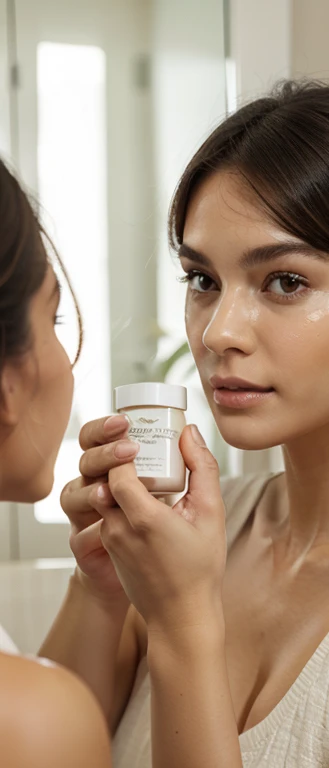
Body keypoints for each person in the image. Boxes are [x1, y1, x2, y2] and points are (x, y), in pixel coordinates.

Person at [46, 81, 329, 767]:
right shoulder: (202, 527)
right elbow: (37, 747)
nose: (220, 332)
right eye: (203, 280)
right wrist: (100, 585)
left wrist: (182, 626)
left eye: (285, 282)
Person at [0, 160, 112, 767]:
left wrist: (100, 592)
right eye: (54, 318)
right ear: (7, 383)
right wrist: (188, 626)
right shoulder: (31, 720)